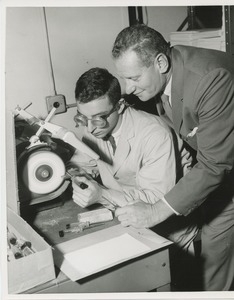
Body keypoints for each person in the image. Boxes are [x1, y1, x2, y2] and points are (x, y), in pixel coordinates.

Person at [111, 24, 234, 291]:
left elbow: (215, 165)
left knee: (213, 257)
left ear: (161, 62)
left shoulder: (210, 79)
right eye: (124, 78)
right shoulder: (161, 81)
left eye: (133, 78)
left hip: (226, 172)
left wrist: (155, 211)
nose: (128, 88)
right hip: (219, 167)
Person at [70, 67, 198, 252]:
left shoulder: (154, 134)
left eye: (99, 118)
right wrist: (77, 178)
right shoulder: (95, 127)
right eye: (83, 118)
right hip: (128, 222)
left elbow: (155, 201)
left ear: (120, 106)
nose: (90, 129)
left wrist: (102, 194)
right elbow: (81, 164)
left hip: (169, 231)